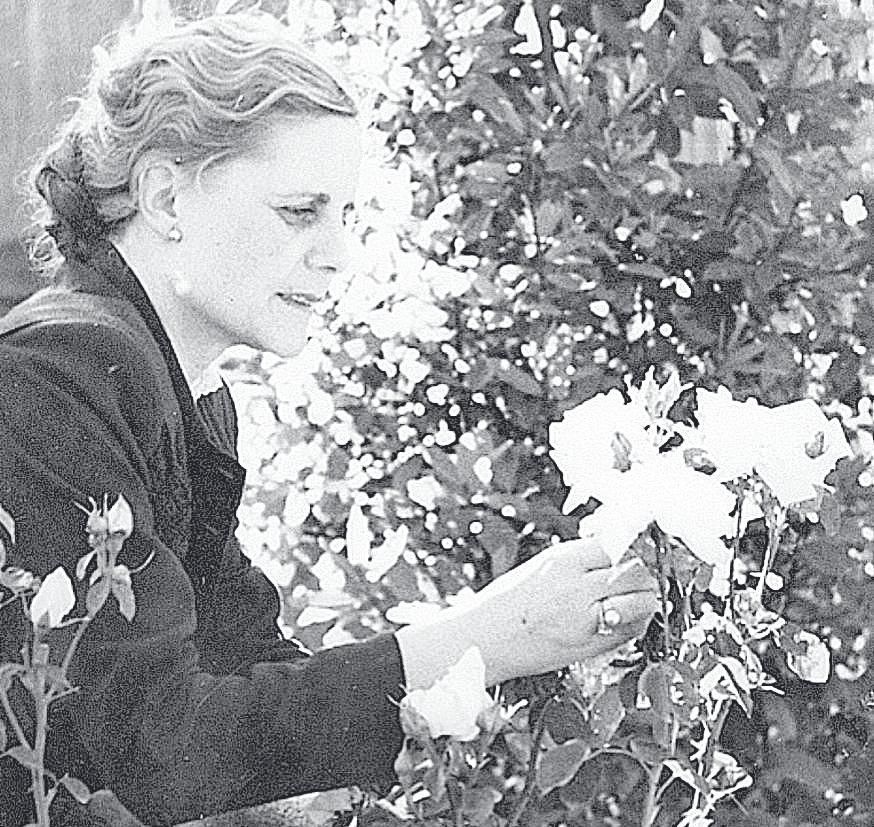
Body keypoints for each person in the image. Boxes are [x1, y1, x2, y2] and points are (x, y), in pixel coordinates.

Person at [0, 12, 659, 827]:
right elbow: (164, 748)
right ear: (165, 194)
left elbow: (246, 662)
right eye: (301, 209)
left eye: (344, 213)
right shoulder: (53, 375)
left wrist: (482, 662)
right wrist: (487, 636)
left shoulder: (177, 384)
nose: (339, 253)